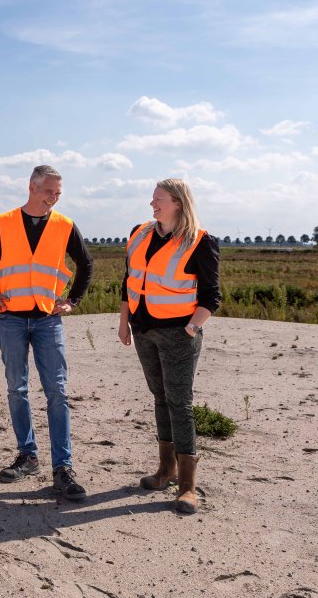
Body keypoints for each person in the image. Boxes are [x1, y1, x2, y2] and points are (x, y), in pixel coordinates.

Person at [0, 165, 94, 501]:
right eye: (49, 191)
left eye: (58, 193)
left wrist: (73, 300)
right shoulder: (3, 223)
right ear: (31, 187)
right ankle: (27, 456)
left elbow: (87, 264)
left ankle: (63, 468)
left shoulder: (64, 225)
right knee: (17, 388)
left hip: (48, 321)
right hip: (11, 319)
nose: (54, 198)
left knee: (57, 392)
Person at [118, 178, 220, 515]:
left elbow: (211, 296)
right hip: (143, 329)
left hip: (179, 334)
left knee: (180, 402)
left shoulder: (200, 242)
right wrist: (124, 321)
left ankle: (188, 487)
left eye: (158, 199)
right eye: (152, 199)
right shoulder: (140, 233)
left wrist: (192, 327)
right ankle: (165, 471)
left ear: (177, 202)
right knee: (160, 398)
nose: (152, 204)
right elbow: (129, 280)